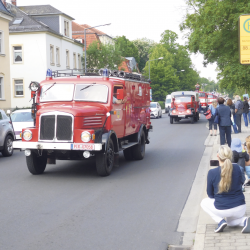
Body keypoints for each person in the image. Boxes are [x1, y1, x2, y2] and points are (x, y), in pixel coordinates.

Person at [201, 145, 250, 233]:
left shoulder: (212, 172)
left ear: (218, 156)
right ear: (231, 156)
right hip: (240, 207)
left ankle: (220, 221)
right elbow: (242, 182)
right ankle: (245, 220)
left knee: (203, 202)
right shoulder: (238, 168)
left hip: (222, 209)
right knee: (230, 223)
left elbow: (210, 194)